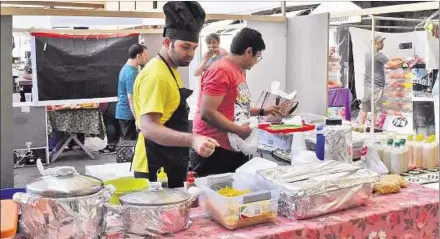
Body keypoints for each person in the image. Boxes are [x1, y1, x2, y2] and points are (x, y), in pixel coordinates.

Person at [131, 1, 219, 188]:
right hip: (154, 166)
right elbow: (149, 127)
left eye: (194, 48)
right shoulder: (156, 75)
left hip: (169, 159)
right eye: (185, 47)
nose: (191, 54)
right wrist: (192, 139)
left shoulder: (169, 69)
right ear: (166, 42)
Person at [191, 27, 281, 177]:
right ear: (249, 51)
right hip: (214, 149)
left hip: (232, 145)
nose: (256, 61)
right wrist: (239, 130)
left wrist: (262, 111)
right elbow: (207, 112)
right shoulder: (221, 71)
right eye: (257, 56)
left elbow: (236, 105)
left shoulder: (238, 71)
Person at [358, 35, 404, 125]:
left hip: (367, 85)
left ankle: (360, 127)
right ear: (376, 43)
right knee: (375, 109)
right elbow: (393, 65)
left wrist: (398, 58)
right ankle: (373, 128)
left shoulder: (368, 53)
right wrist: (405, 61)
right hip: (376, 86)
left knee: (365, 108)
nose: (383, 44)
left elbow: (386, 59)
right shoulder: (378, 55)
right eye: (381, 43)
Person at [115, 43, 149, 140]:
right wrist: (137, 119)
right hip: (128, 115)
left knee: (129, 146)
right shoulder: (130, 73)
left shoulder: (128, 69)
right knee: (129, 147)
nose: (146, 59)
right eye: (145, 56)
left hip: (125, 114)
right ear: (138, 56)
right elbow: (131, 99)